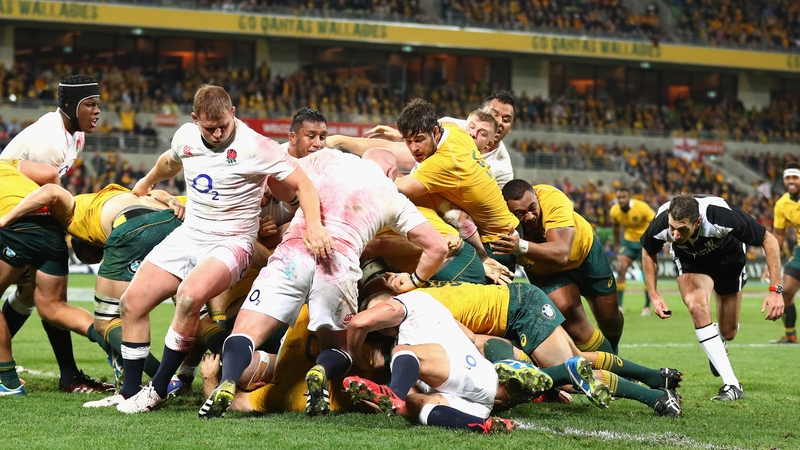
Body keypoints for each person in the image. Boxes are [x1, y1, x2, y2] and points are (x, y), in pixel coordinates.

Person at [103, 84, 332, 414]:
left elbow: (303, 184)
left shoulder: (257, 146)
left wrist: (314, 226)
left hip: (233, 241)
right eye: (210, 128)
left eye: (224, 125)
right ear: (195, 120)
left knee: (188, 297)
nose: (218, 133)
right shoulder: (185, 137)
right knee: (131, 302)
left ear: (233, 113)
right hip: (190, 234)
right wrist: (147, 181)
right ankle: (128, 393)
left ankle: (157, 390)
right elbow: (170, 161)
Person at [199, 148, 447, 419]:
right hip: (338, 264)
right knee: (340, 349)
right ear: (392, 173)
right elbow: (438, 247)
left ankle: (229, 380)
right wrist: (414, 279)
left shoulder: (326, 157)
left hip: (294, 252)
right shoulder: (392, 194)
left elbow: (276, 178)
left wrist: (296, 202)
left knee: (245, 332)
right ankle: (321, 370)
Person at [358, 261, 683, 417]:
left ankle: (653, 397)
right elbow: (474, 337)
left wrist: (505, 362)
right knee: (576, 361)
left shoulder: (418, 310)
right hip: (509, 313)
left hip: (518, 308)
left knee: (568, 373)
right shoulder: (421, 302)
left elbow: (477, 340)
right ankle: (656, 379)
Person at [0, 180, 186, 392]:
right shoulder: (123, 196)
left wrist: (4, 219)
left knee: (106, 320)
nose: (98, 261)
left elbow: (51, 187)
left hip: (128, 227)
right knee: (192, 304)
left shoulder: (77, 217)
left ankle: (161, 378)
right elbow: (151, 192)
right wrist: (171, 199)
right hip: (174, 221)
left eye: (93, 258)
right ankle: (193, 375)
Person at [0, 75, 110, 393]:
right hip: (15, 214)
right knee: (45, 298)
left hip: (27, 216)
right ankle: (61, 375)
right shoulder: (49, 140)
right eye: (90, 104)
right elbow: (45, 185)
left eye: (98, 104)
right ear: (70, 106)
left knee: (33, 295)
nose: (97, 111)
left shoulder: (75, 136)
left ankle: (63, 375)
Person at [640, 194, 784, 401]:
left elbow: (769, 240)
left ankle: (718, 338)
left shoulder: (722, 216)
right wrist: (654, 295)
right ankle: (732, 384)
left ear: (698, 222)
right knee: (696, 307)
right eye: (672, 228)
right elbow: (648, 251)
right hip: (692, 263)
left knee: (729, 331)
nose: (675, 235)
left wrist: (775, 290)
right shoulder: (663, 221)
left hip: (729, 260)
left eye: (682, 229)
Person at [343, 290, 514, 434]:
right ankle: (484, 426)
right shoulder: (404, 354)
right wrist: (378, 401)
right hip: (473, 405)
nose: (379, 324)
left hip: (470, 374)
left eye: (377, 310)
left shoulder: (411, 301)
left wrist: (358, 359)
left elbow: (357, 323)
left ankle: (394, 393)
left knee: (403, 353)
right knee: (410, 403)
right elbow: (470, 336)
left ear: (392, 299)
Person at [492, 180, 624, 354]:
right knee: (571, 318)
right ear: (508, 213)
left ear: (537, 197)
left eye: (532, 208)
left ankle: (613, 354)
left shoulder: (552, 199)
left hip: (584, 253)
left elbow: (561, 254)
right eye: (520, 213)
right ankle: (613, 366)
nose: (529, 216)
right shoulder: (499, 224)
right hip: (546, 272)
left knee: (610, 318)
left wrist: (521, 246)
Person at [392, 99, 520, 271]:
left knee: (429, 267)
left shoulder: (444, 161)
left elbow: (399, 188)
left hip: (498, 243)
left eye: (419, 140)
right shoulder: (454, 131)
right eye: (408, 141)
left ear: (435, 131)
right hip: (495, 229)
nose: (414, 148)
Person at [361, 91, 517, 189]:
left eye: (506, 120)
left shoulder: (503, 171)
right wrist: (402, 136)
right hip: (424, 183)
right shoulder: (451, 125)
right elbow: (418, 139)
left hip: (451, 208)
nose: (499, 122)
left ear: (510, 128)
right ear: (480, 113)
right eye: (494, 114)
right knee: (388, 158)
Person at [609, 186, 656, 315]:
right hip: (628, 242)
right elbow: (616, 227)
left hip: (644, 241)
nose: (621, 200)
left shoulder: (642, 207)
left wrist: (653, 241)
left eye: (624, 197)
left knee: (647, 273)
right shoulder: (614, 211)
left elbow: (655, 221)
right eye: (619, 197)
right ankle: (619, 307)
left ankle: (647, 307)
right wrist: (617, 244)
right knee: (621, 268)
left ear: (629, 197)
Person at [768, 163, 800, 344]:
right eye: (788, 178)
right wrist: (771, 261)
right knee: (785, 292)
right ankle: (790, 335)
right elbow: (778, 235)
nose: (791, 181)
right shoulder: (782, 204)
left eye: (795, 177)